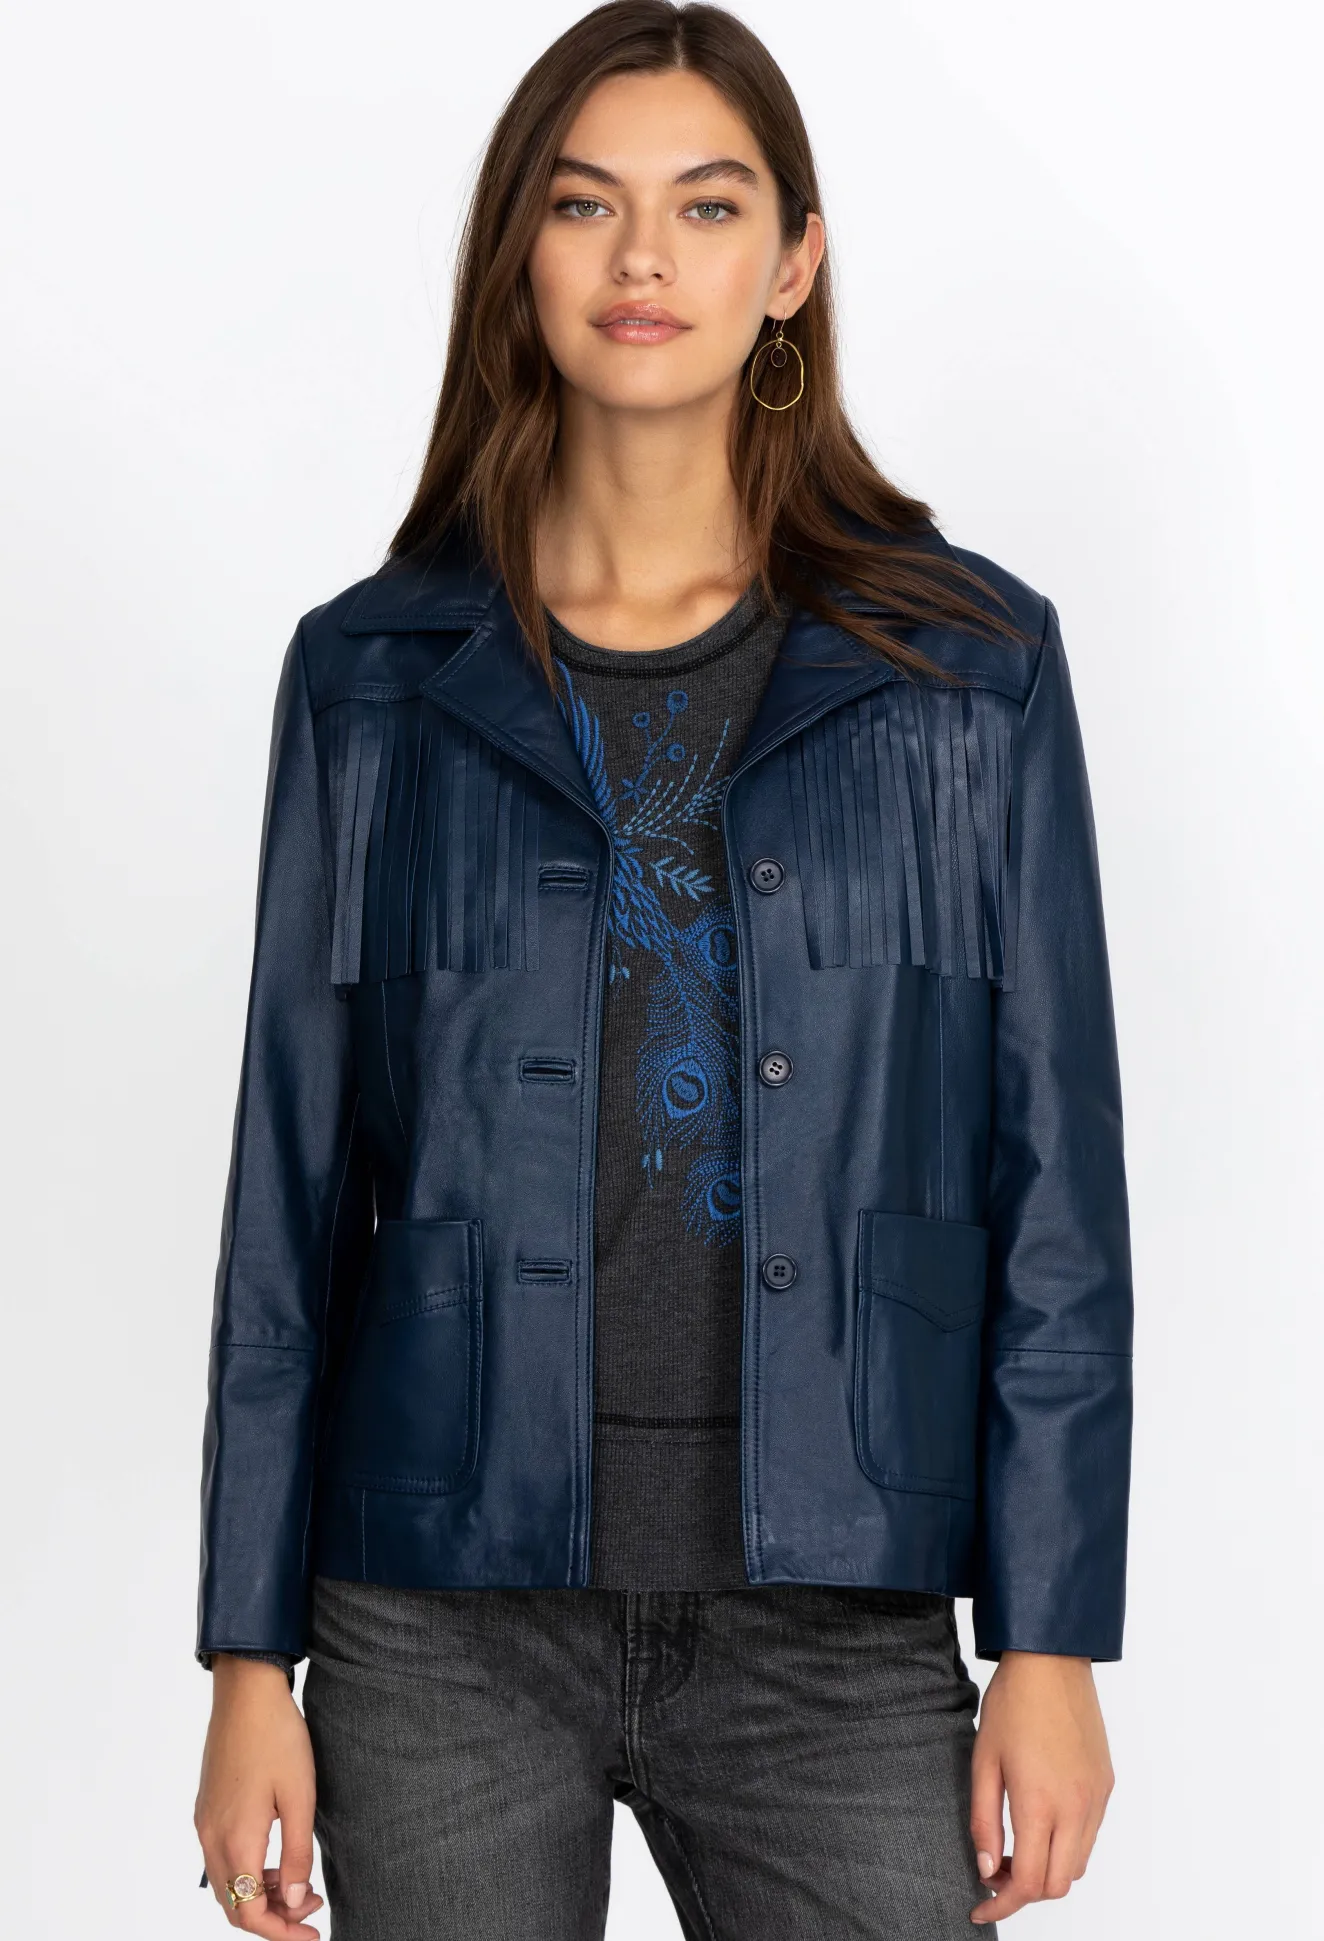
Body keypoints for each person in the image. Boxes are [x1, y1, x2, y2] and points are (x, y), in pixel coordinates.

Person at [193, 4, 1133, 1936]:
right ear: (518, 256)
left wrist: (1052, 1642)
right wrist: (245, 1658)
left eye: (707, 207)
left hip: (839, 1609)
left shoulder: (967, 672)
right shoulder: (373, 677)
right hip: (439, 1613)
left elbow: (1055, 1185)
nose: (643, 259)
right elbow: (286, 1191)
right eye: (584, 205)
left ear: (792, 262)